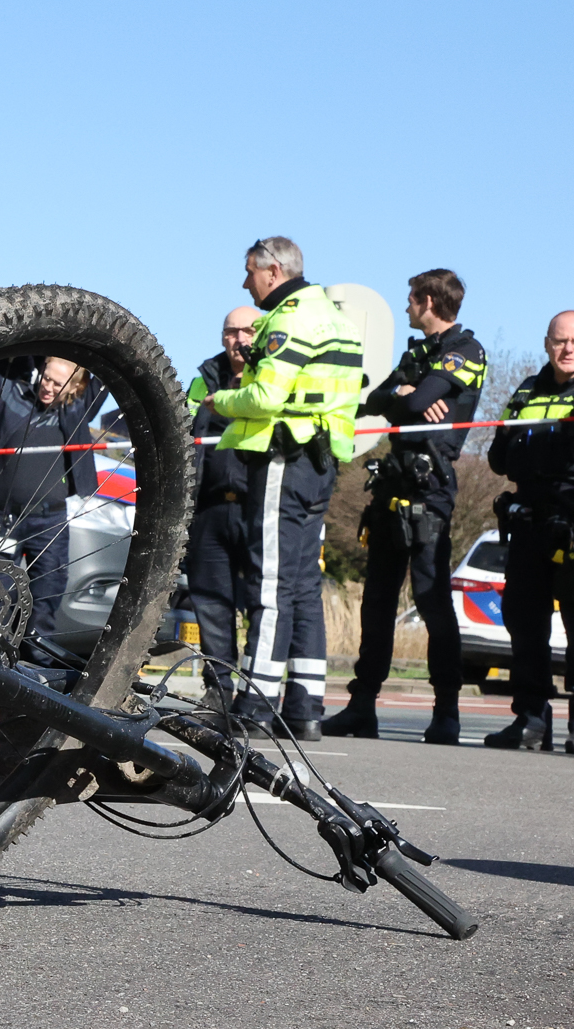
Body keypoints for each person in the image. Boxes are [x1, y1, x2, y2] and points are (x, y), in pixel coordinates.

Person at [200, 237, 364, 740]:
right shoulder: (337, 317)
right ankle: (306, 704)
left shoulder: (290, 317)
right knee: (303, 587)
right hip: (321, 461)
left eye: (249, 271)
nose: (245, 282)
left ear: (273, 270)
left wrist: (219, 401)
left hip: (283, 459)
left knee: (269, 586)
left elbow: (267, 396)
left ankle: (258, 701)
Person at [323, 270, 486, 744]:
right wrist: (404, 395)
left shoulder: (467, 351)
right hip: (391, 487)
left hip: (431, 488)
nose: (407, 306)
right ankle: (361, 707)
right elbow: (375, 400)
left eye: (412, 299)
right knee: (376, 603)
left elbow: (421, 403)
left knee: (434, 604)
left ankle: (447, 712)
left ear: (430, 301)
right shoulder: (418, 353)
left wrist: (412, 397)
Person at [484, 311, 574, 750]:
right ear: (546, 343)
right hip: (529, 523)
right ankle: (532, 721)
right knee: (524, 625)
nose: (568, 349)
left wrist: (545, 447)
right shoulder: (525, 392)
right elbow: (500, 459)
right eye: (560, 341)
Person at [0, 356, 107, 640]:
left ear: (73, 387)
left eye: (57, 384)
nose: (48, 387)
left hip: (50, 522)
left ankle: (36, 667)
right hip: (4, 518)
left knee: (46, 597)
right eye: (46, 378)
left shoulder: (77, 410)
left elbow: (106, 370)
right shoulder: (10, 393)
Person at [185, 307, 259, 713]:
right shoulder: (203, 377)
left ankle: (257, 693)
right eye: (231, 332)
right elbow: (186, 424)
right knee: (210, 602)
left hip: (256, 506)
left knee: (261, 604)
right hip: (209, 506)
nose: (239, 339)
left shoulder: (270, 374)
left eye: (248, 330)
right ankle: (217, 690)